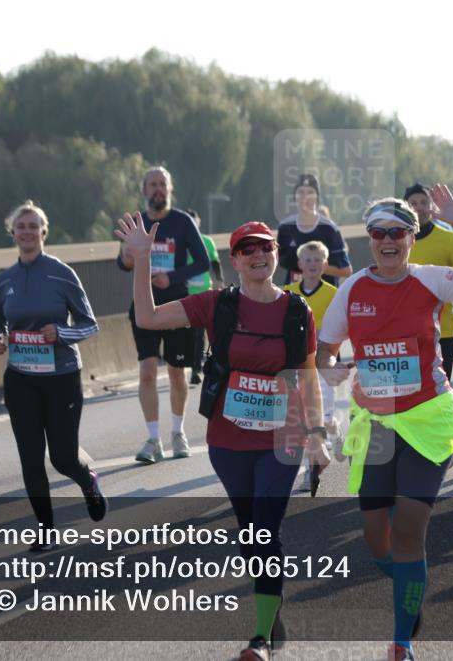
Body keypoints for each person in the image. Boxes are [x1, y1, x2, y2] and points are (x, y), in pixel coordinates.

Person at [116, 215, 329, 661]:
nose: (257, 255)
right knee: (250, 535)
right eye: (247, 249)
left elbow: (307, 375)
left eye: (264, 248)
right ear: (234, 260)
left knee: (267, 530)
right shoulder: (216, 304)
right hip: (228, 440)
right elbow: (149, 317)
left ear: (275, 255)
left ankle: (259, 637)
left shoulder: (297, 311)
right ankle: (273, 612)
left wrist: (316, 435)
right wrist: (140, 261)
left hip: (281, 435)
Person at [317, 186, 453, 661]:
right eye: (379, 233)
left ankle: (402, 639)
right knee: (377, 541)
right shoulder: (352, 290)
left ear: (411, 237)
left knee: (409, 529)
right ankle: (410, 584)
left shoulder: (430, 279)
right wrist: (330, 367)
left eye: (397, 233)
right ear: (369, 239)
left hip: (427, 418)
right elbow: (324, 350)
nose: (388, 241)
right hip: (376, 423)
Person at [0, 201, 107, 548]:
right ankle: (46, 530)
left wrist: (62, 333)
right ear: (13, 233)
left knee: (63, 456)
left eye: (32, 226)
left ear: (43, 232)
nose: (26, 232)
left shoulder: (60, 273)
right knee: (30, 454)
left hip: (61, 376)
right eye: (20, 226)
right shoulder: (4, 279)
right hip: (20, 377)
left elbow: (89, 323)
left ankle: (88, 480)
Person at [117, 166, 209, 463]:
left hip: (177, 306)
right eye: (152, 184)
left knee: (176, 372)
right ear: (144, 190)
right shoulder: (137, 223)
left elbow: (203, 262)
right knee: (146, 371)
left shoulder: (181, 222)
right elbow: (124, 263)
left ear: (170, 190)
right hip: (144, 304)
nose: (157, 189)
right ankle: (153, 439)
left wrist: (172, 276)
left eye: (162, 184)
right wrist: (126, 257)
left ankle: (178, 432)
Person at [284, 240, 343, 488]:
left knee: (325, 418)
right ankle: (311, 472)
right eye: (307, 260)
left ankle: (336, 432)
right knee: (307, 419)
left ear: (325, 265)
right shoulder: (286, 292)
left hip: (323, 366)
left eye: (317, 260)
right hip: (298, 366)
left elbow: (341, 329)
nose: (312, 265)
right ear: (299, 264)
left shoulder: (333, 294)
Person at [405, 182, 453, 382]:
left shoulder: (448, 239)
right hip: (405, 333)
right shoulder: (395, 240)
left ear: (432, 206)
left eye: (423, 202)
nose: (418, 208)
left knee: (440, 399)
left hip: (441, 332)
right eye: (413, 203)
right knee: (410, 401)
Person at [276, 173, 352, 286]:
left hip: (323, 298)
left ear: (317, 197)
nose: (305, 196)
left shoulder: (329, 229)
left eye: (310, 192)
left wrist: (315, 267)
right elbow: (280, 261)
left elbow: (346, 271)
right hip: (294, 296)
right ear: (294, 196)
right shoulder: (285, 227)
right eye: (301, 192)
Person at [186, 210, 225, 385]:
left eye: (194, 222)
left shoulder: (207, 241)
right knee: (185, 334)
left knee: (198, 333)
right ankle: (182, 365)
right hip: (182, 292)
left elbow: (215, 263)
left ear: (199, 223)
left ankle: (196, 369)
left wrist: (219, 280)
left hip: (202, 291)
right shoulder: (181, 242)